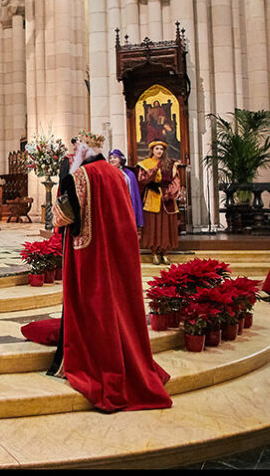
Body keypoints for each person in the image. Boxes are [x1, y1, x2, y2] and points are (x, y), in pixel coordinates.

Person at [44, 130, 171, 412]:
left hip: (88, 255)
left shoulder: (80, 176)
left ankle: (101, 363)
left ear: (82, 152)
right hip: (118, 254)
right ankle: (127, 358)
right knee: (119, 307)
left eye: (76, 149)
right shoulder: (118, 174)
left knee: (95, 308)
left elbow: (62, 215)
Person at [137, 140, 180, 265]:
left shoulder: (171, 164)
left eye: (161, 149)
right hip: (152, 196)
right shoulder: (146, 164)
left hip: (167, 198)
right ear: (152, 150)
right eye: (157, 149)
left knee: (166, 226)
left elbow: (176, 180)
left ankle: (165, 253)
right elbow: (142, 180)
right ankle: (155, 253)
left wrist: (170, 193)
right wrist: (153, 170)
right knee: (153, 225)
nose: (159, 151)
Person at [108, 149, 143, 229]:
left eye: (115, 157)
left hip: (125, 204)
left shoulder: (129, 174)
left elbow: (134, 194)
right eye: (110, 158)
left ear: (120, 159)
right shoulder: (107, 173)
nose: (112, 160)